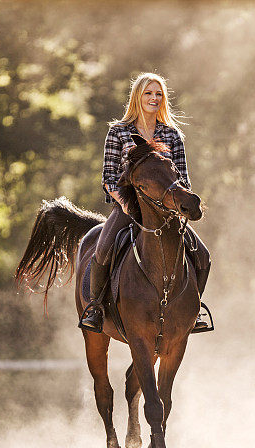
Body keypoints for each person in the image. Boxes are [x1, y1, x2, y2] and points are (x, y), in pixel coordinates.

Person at [79, 72, 212, 333]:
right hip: (127, 207)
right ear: (137, 97)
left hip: (166, 209)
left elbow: (183, 178)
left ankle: (193, 312)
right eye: (148, 93)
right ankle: (96, 308)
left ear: (164, 99)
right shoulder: (118, 131)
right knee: (103, 250)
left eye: (158, 93)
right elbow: (108, 178)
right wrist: (129, 206)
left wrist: (176, 204)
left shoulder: (172, 135)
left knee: (203, 256)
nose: (154, 98)